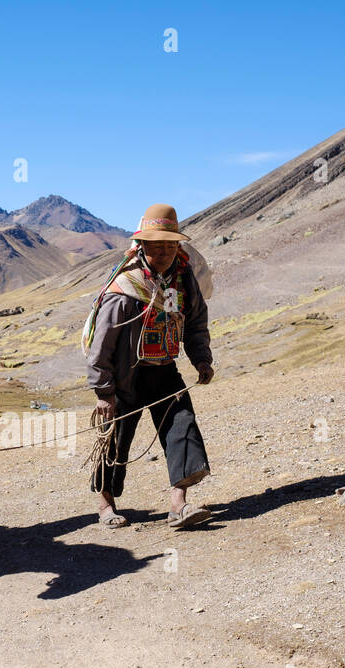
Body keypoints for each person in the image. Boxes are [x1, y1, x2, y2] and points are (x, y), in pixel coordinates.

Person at [85, 203, 214, 529]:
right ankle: (105, 505)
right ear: (142, 246)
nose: (165, 252)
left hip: (164, 368)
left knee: (182, 425)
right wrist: (104, 391)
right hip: (125, 374)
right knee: (115, 439)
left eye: (171, 245)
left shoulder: (183, 279)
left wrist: (201, 358)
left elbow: (195, 320)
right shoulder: (125, 288)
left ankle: (178, 506)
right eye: (158, 246)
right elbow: (103, 343)